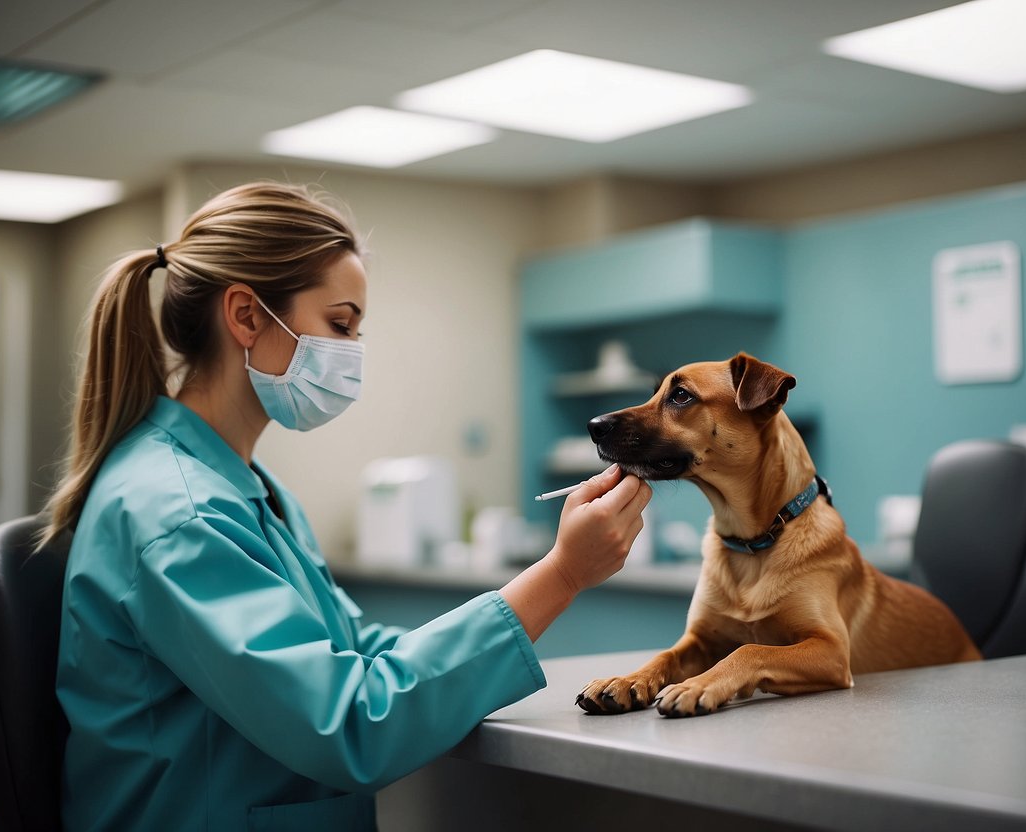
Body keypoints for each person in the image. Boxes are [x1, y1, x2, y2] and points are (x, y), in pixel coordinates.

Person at [42, 182, 652, 831]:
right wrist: (560, 575)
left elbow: (355, 653)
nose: (351, 353)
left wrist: (506, 628)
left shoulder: (248, 490)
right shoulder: (179, 514)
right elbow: (351, 725)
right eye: (339, 325)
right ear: (246, 316)